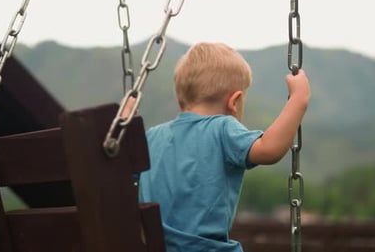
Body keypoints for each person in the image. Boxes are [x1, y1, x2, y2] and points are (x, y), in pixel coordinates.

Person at [125, 42, 310, 252]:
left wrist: (128, 124)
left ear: (181, 101)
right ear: (235, 102)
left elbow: (123, 174)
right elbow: (269, 149)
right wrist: (298, 100)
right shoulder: (222, 128)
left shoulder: (151, 137)